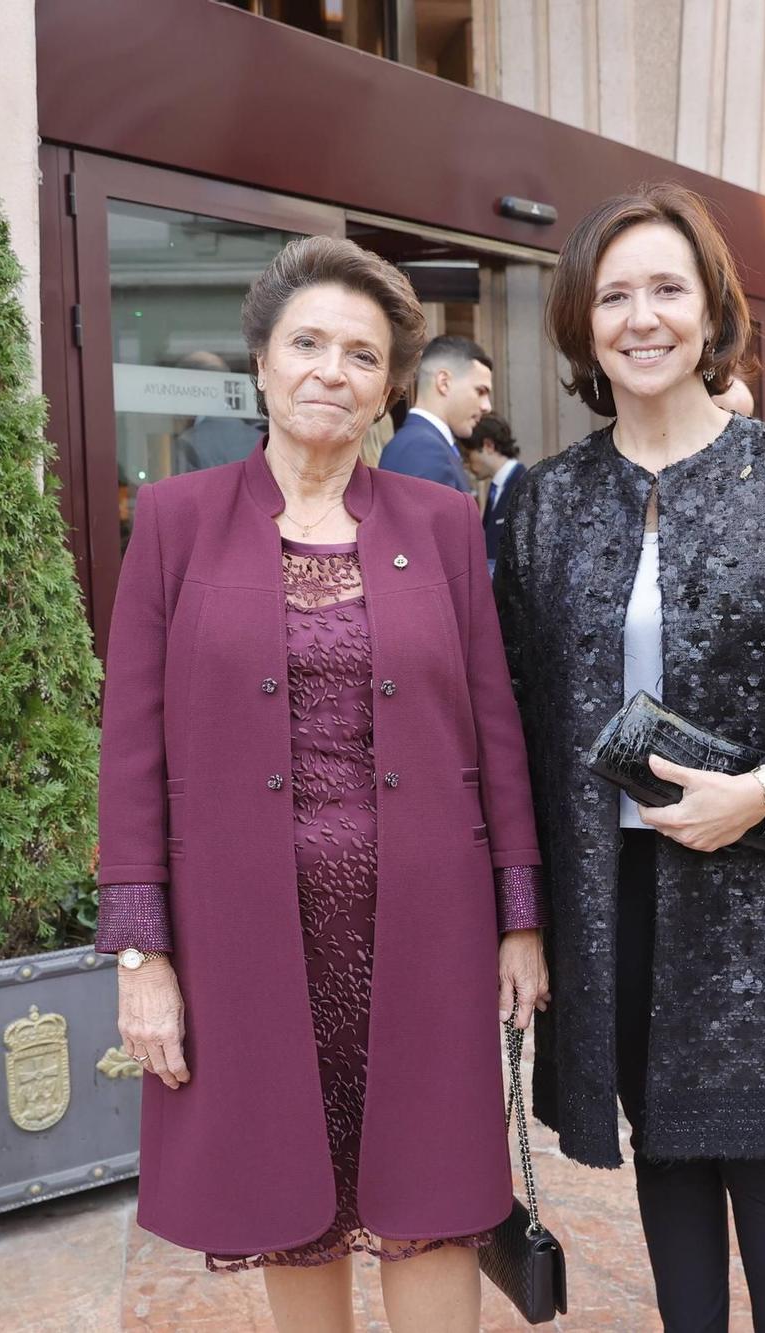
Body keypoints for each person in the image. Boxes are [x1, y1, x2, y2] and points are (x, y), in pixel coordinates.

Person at [95, 236, 549, 1333]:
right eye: (307, 343)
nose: (329, 371)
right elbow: (133, 754)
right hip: (245, 934)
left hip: (426, 930)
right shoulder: (174, 521)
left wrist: (518, 917)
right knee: (288, 1196)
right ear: (261, 362)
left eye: (360, 353)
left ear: (390, 385)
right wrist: (141, 954)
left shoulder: (440, 525)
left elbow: (495, 728)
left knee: (433, 1196)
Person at [494, 184, 765, 1331]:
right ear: (584, 321)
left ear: (708, 309)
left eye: (666, 289)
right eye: (614, 293)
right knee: (663, 1152)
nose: (641, 317)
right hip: (609, 887)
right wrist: (518, 911)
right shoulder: (545, 503)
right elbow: (514, 705)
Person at [376, 334, 492, 493]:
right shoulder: (421, 448)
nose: (487, 407)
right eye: (480, 391)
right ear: (444, 383)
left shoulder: (426, 444)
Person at [462, 412, 524, 572]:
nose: (467, 465)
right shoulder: (495, 487)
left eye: (469, 455)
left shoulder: (523, 485)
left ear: (488, 446)